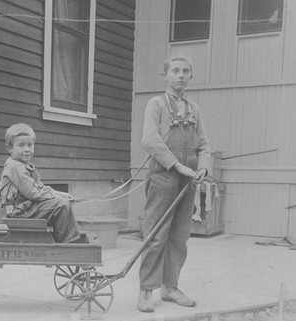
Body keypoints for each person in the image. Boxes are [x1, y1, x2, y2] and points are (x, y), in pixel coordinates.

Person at [137, 54, 210, 312]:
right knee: (156, 234)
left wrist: (202, 167)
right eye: (176, 71)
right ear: (165, 75)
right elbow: (150, 140)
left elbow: (203, 145)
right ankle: (146, 289)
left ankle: (170, 287)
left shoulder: (195, 109)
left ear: (190, 76)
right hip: (164, 175)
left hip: (189, 179)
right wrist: (177, 165)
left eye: (186, 71)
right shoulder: (156, 104)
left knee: (180, 236)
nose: (181, 75)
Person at [0, 123, 80, 243]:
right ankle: (69, 244)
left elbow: (40, 187)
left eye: (30, 145)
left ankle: (62, 241)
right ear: (9, 148)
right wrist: (57, 197)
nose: (27, 149)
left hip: (26, 208)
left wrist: (59, 193)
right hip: (19, 212)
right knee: (61, 205)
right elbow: (33, 193)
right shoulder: (15, 167)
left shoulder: (23, 165)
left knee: (63, 201)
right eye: (21, 145)